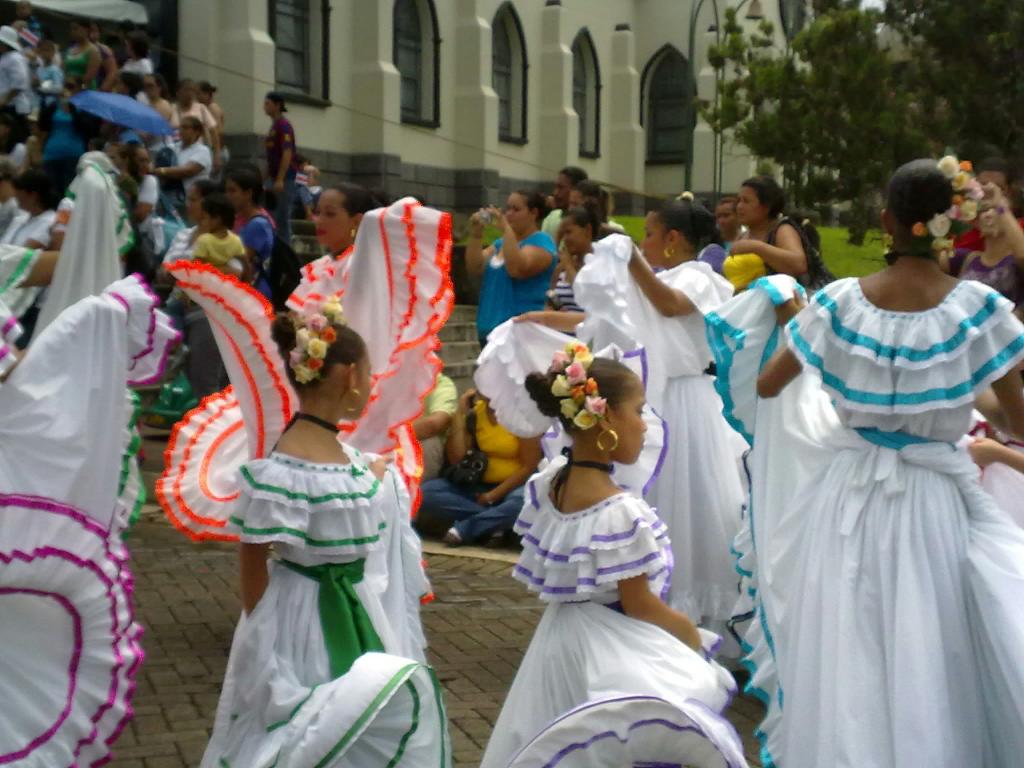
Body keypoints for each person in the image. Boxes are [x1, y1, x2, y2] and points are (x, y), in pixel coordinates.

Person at [718, 157, 1024, 768]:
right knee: (931, 644)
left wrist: (800, 326)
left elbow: (774, 383)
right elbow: (1014, 419)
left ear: (887, 220)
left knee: (851, 643)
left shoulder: (836, 306)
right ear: (946, 225)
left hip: (846, 497)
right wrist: (963, 388)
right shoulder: (979, 309)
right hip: (934, 502)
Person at [196, 293, 447, 766]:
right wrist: (264, 639)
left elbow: (350, 485)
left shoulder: (335, 455)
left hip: (351, 606)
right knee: (312, 727)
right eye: (369, 374)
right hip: (303, 618)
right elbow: (253, 560)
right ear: (350, 376)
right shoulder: (285, 466)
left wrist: (377, 475)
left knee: (351, 720)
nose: (370, 385)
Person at [479, 346, 745, 768]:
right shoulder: (620, 511)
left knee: (562, 742)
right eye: (638, 411)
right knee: (626, 736)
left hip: (558, 644)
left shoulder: (551, 486)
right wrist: (692, 636)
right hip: (610, 650)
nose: (644, 424)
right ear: (605, 418)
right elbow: (640, 604)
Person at [572, 198, 745, 642]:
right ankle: (651, 606)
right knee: (659, 502)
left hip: (687, 404)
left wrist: (629, 260)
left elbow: (669, 305)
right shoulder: (658, 278)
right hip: (655, 401)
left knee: (690, 505)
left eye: (649, 233)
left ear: (672, 239)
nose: (643, 242)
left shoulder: (702, 278)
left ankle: (691, 621)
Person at [417, 389, 541, 546]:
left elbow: (529, 466)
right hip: (478, 485)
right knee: (426, 492)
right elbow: (458, 458)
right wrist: (459, 416)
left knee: (522, 502)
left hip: (515, 486)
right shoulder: (476, 413)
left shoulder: (523, 415)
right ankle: (495, 523)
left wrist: (492, 496)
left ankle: (467, 529)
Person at [466, 190, 557, 345]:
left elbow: (516, 269)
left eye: (516, 209)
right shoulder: (501, 243)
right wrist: (476, 235)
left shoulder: (541, 241)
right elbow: (475, 267)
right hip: (489, 329)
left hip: (520, 332)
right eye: (507, 209)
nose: (509, 214)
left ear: (533, 213)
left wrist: (506, 229)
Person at [731, 175, 809, 279]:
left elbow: (798, 265)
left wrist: (755, 247)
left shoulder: (782, 229)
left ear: (767, 206)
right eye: (738, 201)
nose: (739, 206)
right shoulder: (743, 236)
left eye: (746, 201)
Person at [225, 162, 274, 298]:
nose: (227, 196)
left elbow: (241, 262)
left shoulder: (258, 224)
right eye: (226, 191)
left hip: (253, 292)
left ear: (248, 193)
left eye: (232, 191)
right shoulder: (238, 218)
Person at [39, 77, 96, 195]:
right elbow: (42, 125)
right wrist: (44, 101)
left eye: (71, 86)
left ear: (79, 89)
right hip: (52, 154)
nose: (67, 90)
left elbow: (87, 129)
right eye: (65, 86)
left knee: (69, 192)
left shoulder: (84, 109)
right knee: (52, 192)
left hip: (73, 155)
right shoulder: (54, 107)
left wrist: (72, 108)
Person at [263, 90, 297, 243]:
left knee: (282, 217)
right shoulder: (273, 127)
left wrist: (280, 179)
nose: (264, 107)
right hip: (273, 177)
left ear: (277, 105)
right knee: (271, 215)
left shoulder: (284, 126)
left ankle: (286, 252)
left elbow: (287, 153)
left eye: (268, 103)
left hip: (284, 179)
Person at [154, 116, 211, 201]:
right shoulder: (172, 147)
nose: (181, 130)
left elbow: (188, 171)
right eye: (180, 127)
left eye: (185, 127)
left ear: (197, 132)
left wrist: (161, 171)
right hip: (170, 197)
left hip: (195, 199)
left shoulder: (203, 150)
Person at [414, 371, 457, 481]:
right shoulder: (382, 381)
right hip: (384, 449)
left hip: (417, 445)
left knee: (429, 442)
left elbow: (435, 423)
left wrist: (388, 435)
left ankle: (422, 492)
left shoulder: (440, 383)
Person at [170, 79, 220, 168]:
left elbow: (213, 131)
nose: (189, 93)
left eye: (192, 90)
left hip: (197, 152)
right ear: (178, 92)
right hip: (177, 151)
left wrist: (216, 155)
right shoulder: (171, 109)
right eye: (186, 90)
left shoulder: (201, 108)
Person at [193, 193, 245, 273]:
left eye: (205, 218)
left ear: (217, 219)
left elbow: (195, 266)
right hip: (226, 283)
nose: (203, 222)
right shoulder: (236, 240)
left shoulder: (205, 240)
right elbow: (245, 264)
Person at [542, 164, 587, 240]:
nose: (555, 193)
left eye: (561, 188)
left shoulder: (587, 224)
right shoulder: (551, 217)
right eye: (555, 187)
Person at [63, 20, 100, 90]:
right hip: (69, 90)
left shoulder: (93, 51)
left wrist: (77, 86)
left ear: (86, 30)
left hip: (86, 91)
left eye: (75, 29)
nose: (73, 32)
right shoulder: (69, 50)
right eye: (71, 29)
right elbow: (64, 71)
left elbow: (90, 77)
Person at [197, 81, 226, 169]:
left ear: (207, 94)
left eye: (199, 94)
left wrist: (216, 153)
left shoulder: (213, 108)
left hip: (215, 151)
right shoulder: (204, 108)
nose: (196, 97)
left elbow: (219, 132)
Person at [31, 38, 63, 110]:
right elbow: (36, 86)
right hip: (37, 103)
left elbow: (58, 88)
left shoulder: (55, 70)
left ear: (53, 53)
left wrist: (41, 84)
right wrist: (34, 84)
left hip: (50, 104)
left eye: (48, 50)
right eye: (43, 50)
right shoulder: (39, 69)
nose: (45, 53)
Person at [88, 21, 119, 92]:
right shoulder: (77, 49)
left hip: (97, 90)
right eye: (88, 30)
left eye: (94, 30)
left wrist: (101, 90)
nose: (90, 33)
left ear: (99, 33)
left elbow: (112, 72)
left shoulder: (104, 50)